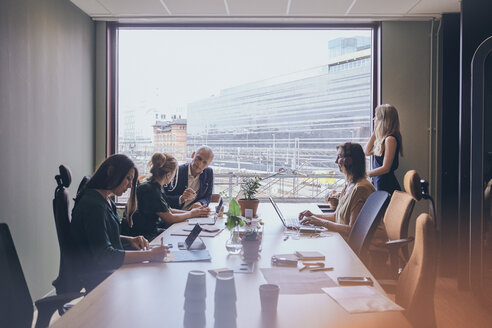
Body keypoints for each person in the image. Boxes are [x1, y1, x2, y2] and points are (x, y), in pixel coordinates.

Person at [71, 154, 168, 291]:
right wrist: (150, 255)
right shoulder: (94, 206)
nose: (129, 185)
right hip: (100, 275)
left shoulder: (106, 199)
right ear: (110, 172)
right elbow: (105, 256)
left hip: (108, 270)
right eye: (128, 178)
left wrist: (130, 240)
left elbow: (101, 237)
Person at [298, 143, 375, 239]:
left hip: (361, 250)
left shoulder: (361, 189)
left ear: (348, 161)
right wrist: (312, 216)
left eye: (339, 156)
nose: (336, 161)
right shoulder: (350, 185)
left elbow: (352, 230)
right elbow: (337, 217)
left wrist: (321, 223)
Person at [133, 153, 210, 240]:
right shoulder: (151, 190)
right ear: (168, 174)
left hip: (149, 231)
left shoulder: (155, 186)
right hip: (143, 235)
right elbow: (170, 218)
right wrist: (192, 214)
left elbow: (169, 210)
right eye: (174, 173)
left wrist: (196, 212)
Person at [364, 104, 403, 194]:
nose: (374, 119)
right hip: (380, 183)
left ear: (383, 120)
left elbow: (386, 168)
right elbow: (367, 151)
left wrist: (364, 174)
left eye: (376, 116)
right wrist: (375, 132)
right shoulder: (382, 139)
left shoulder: (390, 139)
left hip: (387, 186)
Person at [164, 146, 214, 210]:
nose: (200, 164)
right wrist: (181, 199)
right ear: (193, 155)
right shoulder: (176, 171)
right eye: (199, 158)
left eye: (204, 162)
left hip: (195, 215)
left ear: (208, 164)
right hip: (176, 214)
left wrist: (200, 203)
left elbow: (208, 197)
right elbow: (163, 198)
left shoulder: (209, 172)